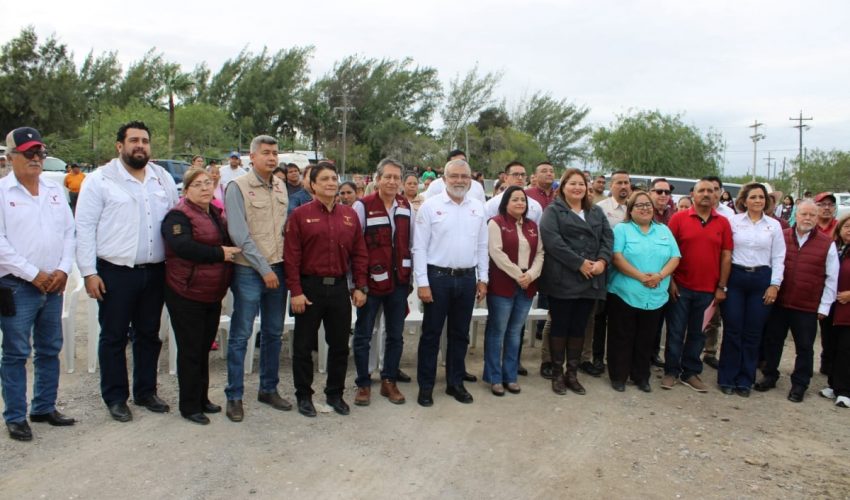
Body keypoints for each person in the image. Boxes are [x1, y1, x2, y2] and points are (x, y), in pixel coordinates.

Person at [75, 121, 179, 422]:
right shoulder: (100, 180)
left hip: (155, 270)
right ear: (119, 145)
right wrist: (88, 272)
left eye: (145, 141)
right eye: (133, 140)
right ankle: (116, 397)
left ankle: (146, 392)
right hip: (115, 272)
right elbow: (84, 228)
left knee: (149, 334)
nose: (140, 146)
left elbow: (174, 219)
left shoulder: (161, 178)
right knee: (114, 336)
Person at [0, 127, 76, 441]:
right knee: (17, 353)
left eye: (40, 153)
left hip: (53, 283)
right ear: (10, 157)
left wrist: (61, 269)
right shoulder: (2, 193)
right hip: (18, 284)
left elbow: (69, 233)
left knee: (49, 348)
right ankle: (16, 416)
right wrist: (33, 273)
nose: (36, 159)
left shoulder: (54, 190)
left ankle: (43, 406)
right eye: (28, 153)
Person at [285, 162, 368, 417]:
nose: (331, 183)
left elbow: (359, 253)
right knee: (303, 346)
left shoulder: (349, 215)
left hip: (339, 289)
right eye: (325, 179)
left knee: (340, 345)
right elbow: (291, 257)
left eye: (334, 178)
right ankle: (304, 395)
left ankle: (335, 393)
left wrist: (360, 287)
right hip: (309, 289)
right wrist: (296, 291)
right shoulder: (300, 215)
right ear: (313, 185)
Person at [161, 168, 240, 424]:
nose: (205, 188)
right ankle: (189, 405)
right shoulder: (177, 215)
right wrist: (220, 254)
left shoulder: (215, 212)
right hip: (186, 292)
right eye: (198, 185)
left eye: (208, 183)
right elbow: (183, 246)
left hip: (211, 293)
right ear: (186, 191)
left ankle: (202, 397)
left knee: (203, 347)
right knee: (190, 349)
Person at [223, 135, 290, 422]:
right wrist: (264, 269)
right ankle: (234, 395)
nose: (272, 158)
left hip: (279, 268)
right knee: (241, 334)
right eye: (266, 153)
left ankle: (268, 389)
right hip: (250, 270)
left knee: (274, 333)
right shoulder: (237, 187)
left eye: (275, 153)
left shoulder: (280, 185)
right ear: (253, 157)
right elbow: (239, 235)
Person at [413, 158, 488, 406]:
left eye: (464, 177)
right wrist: (422, 283)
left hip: (467, 279)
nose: (459, 181)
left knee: (460, 334)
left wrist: (483, 279)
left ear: (471, 180)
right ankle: (426, 386)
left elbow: (482, 245)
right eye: (454, 176)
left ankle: (455, 383)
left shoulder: (478, 207)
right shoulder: (430, 207)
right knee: (431, 334)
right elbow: (419, 247)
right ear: (444, 179)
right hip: (437, 279)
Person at [538, 168, 613, 395]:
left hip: (591, 280)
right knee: (560, 327)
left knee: (580, 327)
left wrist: (601, 261)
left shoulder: (596, 212)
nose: (578, 188)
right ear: (563, 187)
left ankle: (573, 373)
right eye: (573, 184)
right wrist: (580, 263)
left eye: (582, 184)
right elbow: (553, 242)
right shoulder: (553, 211)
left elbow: (608, 238)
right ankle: (557, 373)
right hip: (564, 278)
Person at [756, 199, 838, 402]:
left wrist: (825, 306)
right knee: (773, 341)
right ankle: (770, 375)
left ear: (817, 218)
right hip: (779, 301)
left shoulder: (827, 244)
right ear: (796, 216)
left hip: (806, 305)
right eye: (804, 214)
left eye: (812, 215)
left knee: (804, 347)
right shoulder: (781, 236)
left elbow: (832, 277)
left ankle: (800, 384)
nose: (807, 218)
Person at [351, 159, 413, 406]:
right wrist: (358, 284)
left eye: (396, 177)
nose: (392, 181)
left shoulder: (405, 205)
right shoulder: (363, 206)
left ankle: (389, 380)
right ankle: (363, 383)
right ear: (377, 179)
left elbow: (411, 243)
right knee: (364, 334)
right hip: (370, 283)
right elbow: (356, 248)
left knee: (395, 335)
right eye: (387, 176)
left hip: (399, 282)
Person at [663, 178, 733, 392]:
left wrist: (721, 287)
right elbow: (668, 252)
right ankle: (671, 371)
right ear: (693, 194)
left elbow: (726, 256)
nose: (706, 194)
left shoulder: (723, 223)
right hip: (681, 287)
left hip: (708, 291)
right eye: (701, 190)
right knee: (675, 331)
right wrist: (671, 280)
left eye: (711, 191)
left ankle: (691, 372)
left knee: (698, 333)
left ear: (717, 195)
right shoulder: (678, 218)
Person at [608, 191, 680, 392]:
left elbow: (675, 257)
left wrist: (659, 275)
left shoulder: (664, 230)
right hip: (625, 293)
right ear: (630, 210)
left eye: (647, 204)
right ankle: (619, 376)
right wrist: (641, 277)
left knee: (646, 338)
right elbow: (617, 257)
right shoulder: (622, 229)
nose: (645, 208)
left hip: (655, 294)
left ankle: (641, 377)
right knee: (622, 337)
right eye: (639, 205)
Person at [717, 183, 785, 397]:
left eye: (761, 197)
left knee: (753, 332)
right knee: (733, 329)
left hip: (761, 279)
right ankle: (727, 377)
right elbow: (725, 252)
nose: (758, 201)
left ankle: (745, 380)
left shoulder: (773, 226)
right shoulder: (733, 222)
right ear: (744, 200)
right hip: (736, 277)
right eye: (753, 197)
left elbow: (779, 257)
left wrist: (775, 284)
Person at [483, 186, 544, 396]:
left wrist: (531, 275)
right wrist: (519, 274)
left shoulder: (533, 226)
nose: (520, 203)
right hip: (504, 283)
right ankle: (494, 376)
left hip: (527, 284)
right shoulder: (496, 222)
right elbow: (496, 253)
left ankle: (510, 376)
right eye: (515, 199)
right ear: (505, 203)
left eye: (523, 200)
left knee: (515, 331)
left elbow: (541, 254)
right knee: (497, 331)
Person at [701, 175, 735, 369]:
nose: (709, 193)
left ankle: (710, 351)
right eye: (705, 189)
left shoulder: (728, 215)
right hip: (694, 278)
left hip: (718, 275)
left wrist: (723, 282)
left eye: (714, 189)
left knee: (714, 319)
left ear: (720, 192)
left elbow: (728, 251)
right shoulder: (689, 213)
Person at [819, 216, 850, 407]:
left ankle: (845, 391)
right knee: (831, 346)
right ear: (839, 229)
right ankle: (834, 384)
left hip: (848, 309)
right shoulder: (837, 250)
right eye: (847, 226)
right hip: (832, 307)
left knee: (846, 350)